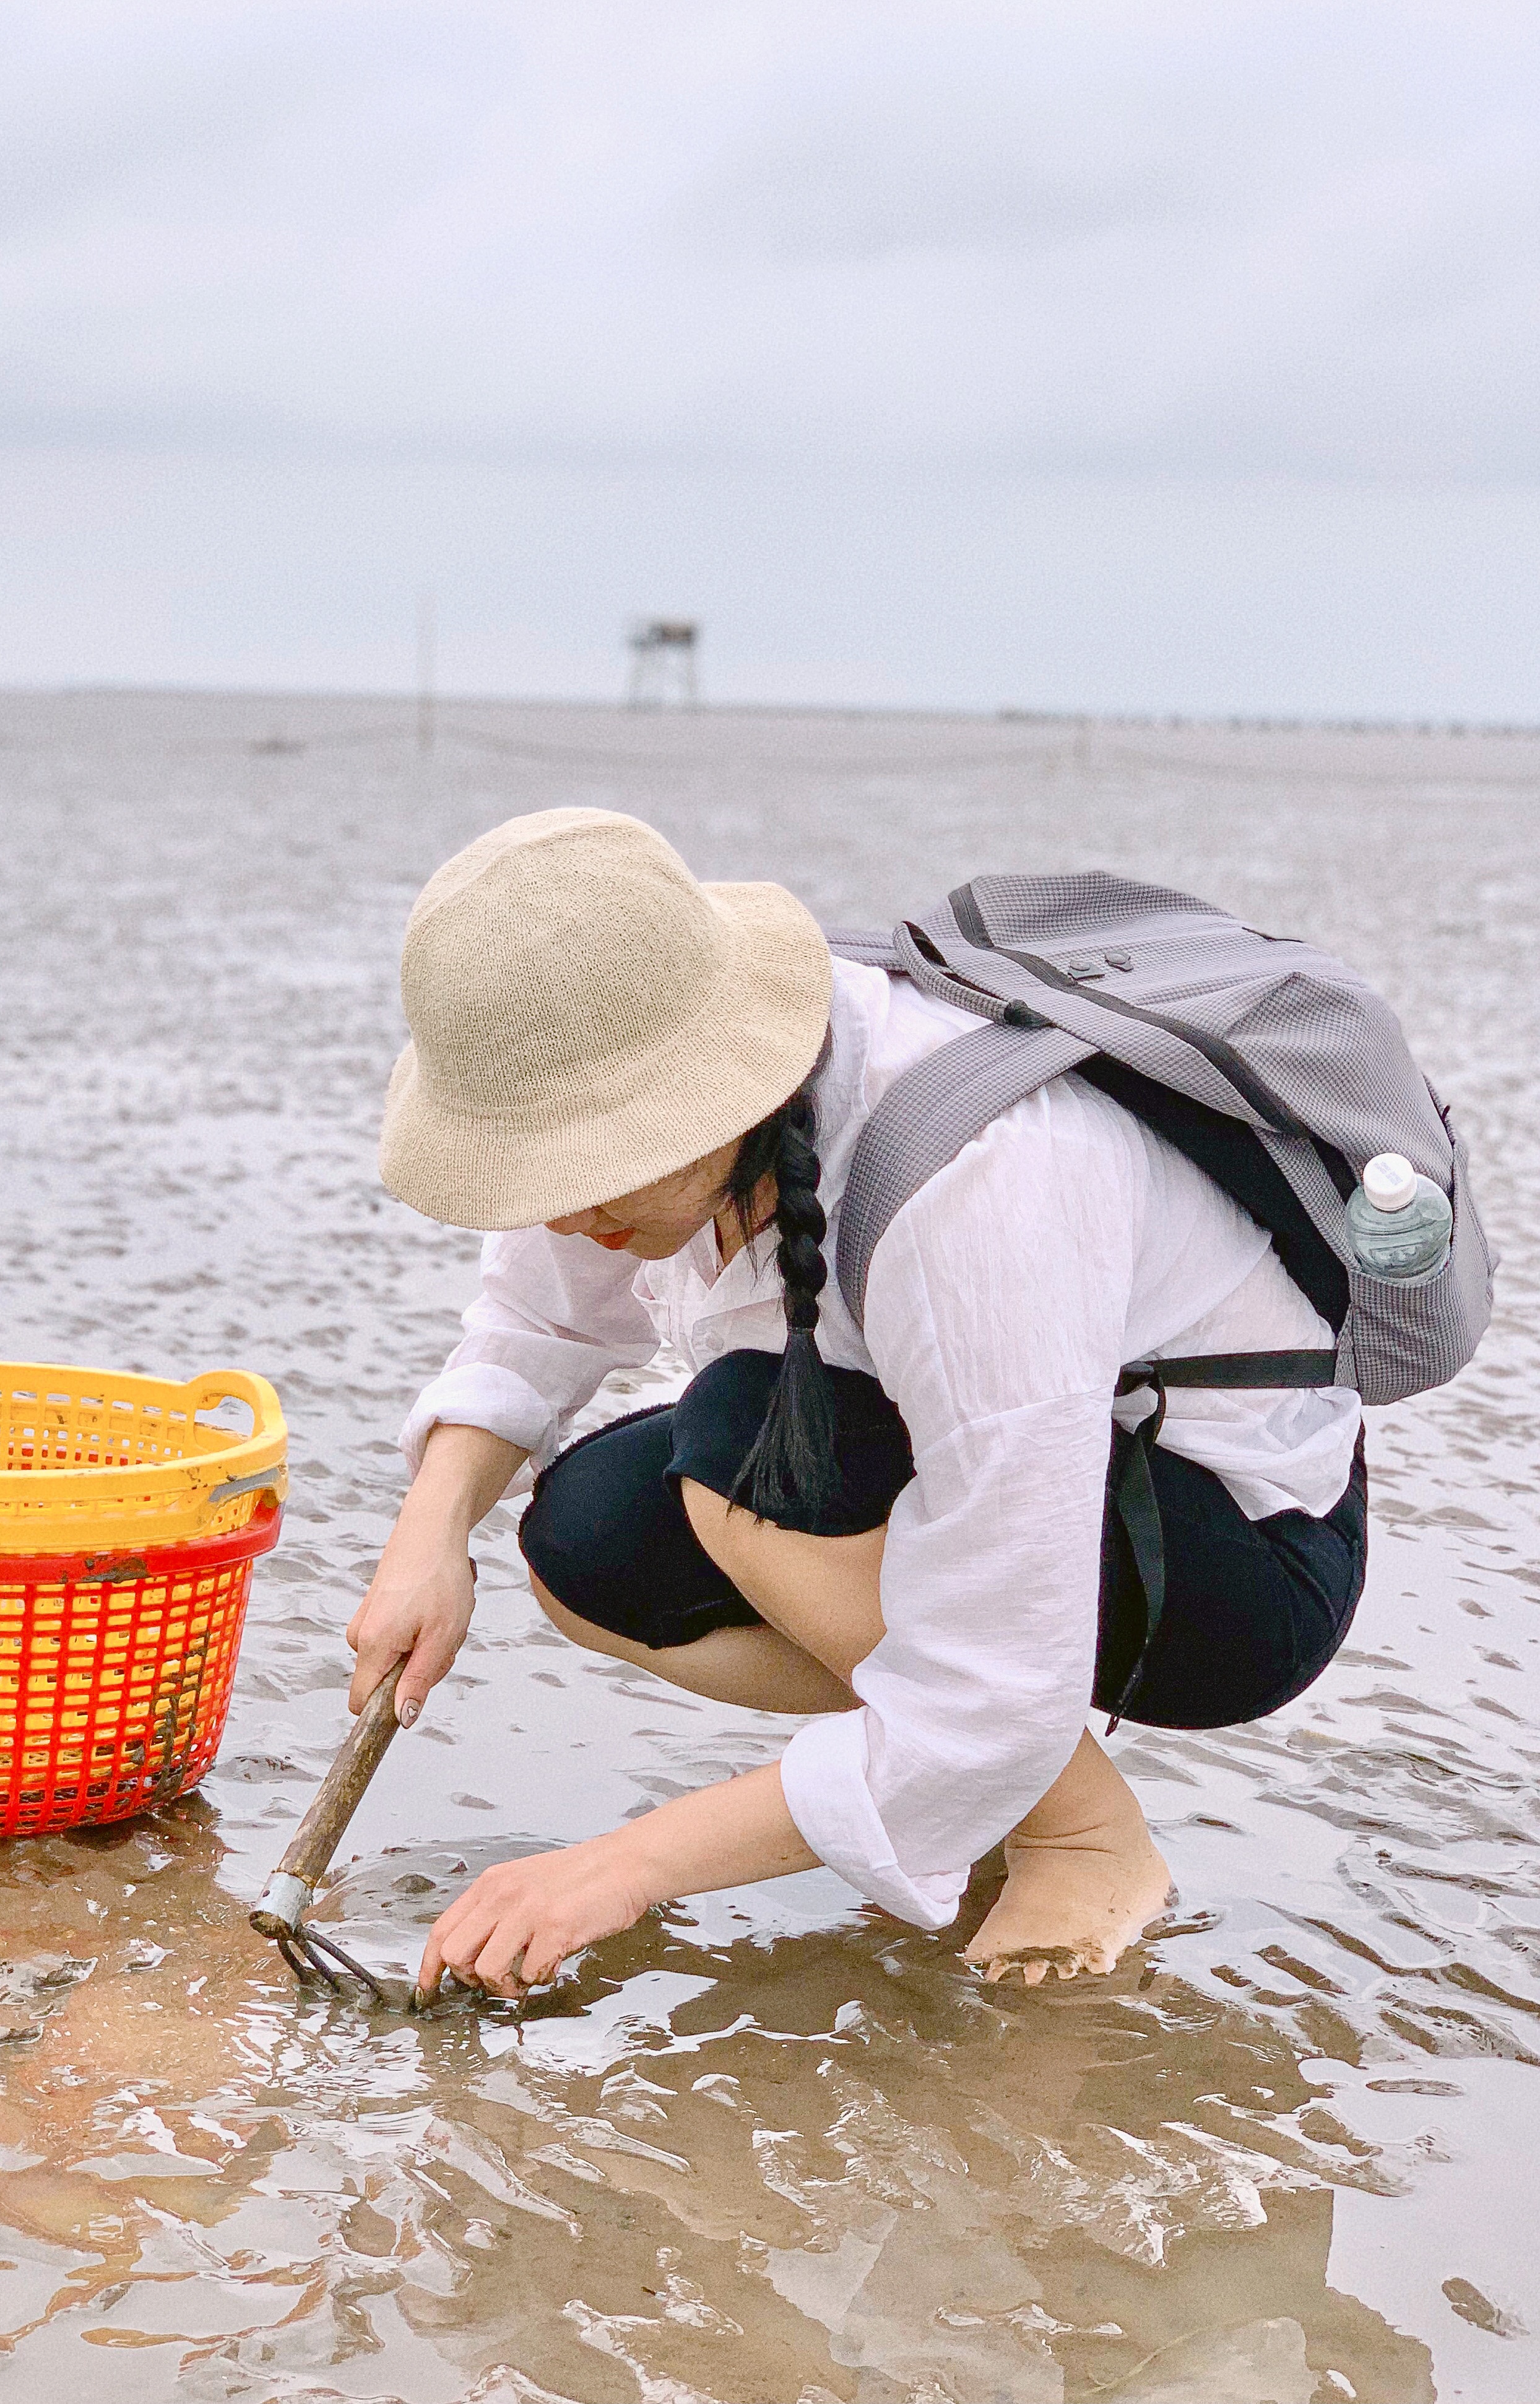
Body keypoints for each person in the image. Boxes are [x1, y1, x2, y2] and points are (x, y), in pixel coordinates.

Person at [347, 809, 1366, 2002]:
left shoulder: (980, 1179)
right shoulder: (644, 1096)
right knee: (587, 1538)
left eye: (590, 1165)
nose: (563, 1212)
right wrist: (431, 1536)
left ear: (714, 1084)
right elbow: (541, 1321)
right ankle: (971, 1792)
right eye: (534, 1170)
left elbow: (1003, 1670)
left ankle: (1085, 1839)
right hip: (988, 1474)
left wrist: (620, 1869)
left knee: (740, 1441)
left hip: (1237, 1553)